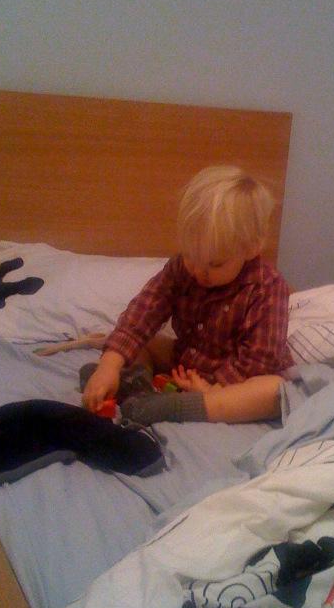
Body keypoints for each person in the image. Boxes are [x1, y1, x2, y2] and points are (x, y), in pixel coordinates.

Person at [82, 165, 294, 425]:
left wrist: (213, 388)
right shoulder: (181, 269)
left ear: (252, 247)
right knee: (144, 341)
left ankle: (183, 407)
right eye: (191, 256)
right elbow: (144, 312)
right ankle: (139, 387)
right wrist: (109, 365)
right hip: (188, 360)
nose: (198, 272)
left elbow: (259, 359)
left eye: (214, 264)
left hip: (238, 378)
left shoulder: (267, 287)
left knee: (274, 390)